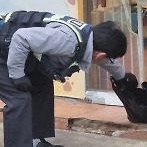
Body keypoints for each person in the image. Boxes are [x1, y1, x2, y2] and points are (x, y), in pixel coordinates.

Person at [0, 11, 127, 147]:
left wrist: (122, 78)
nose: (109, 61)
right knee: (19, 99)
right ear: (101, 54)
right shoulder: (68, 41)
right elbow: (21, 38)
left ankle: (34, 141)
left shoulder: (89, 37)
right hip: (7, 50)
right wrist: (17, 75)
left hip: (14, 51)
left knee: (42, 85)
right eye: (109, 57)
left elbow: (106, 61)